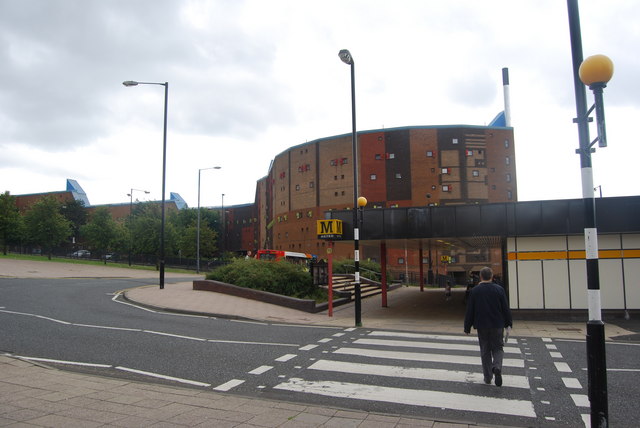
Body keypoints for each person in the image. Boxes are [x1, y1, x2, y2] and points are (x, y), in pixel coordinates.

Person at [463, 266, 512, 387]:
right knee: (498, 348)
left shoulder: (474, 291)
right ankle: (497, 367)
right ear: (491, 276)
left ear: (480, 277)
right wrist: (508, 323)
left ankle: (488, 376)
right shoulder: (499, 290)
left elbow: (470, 310)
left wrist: (467, 326)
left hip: (482, 325)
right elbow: (505, 308)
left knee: (485, 350)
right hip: (497, 324)